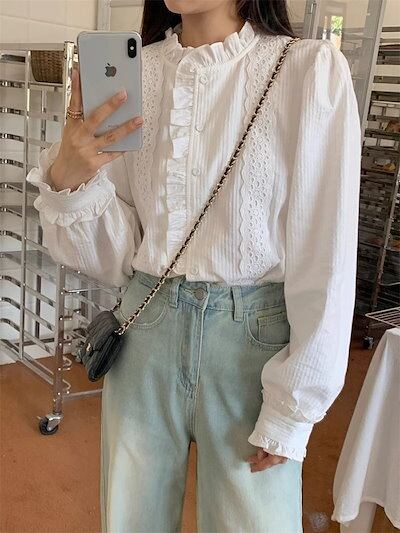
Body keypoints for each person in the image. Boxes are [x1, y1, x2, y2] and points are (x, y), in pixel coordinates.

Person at [26, 0, 361, 531]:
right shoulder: (137, 72)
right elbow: (116, 256)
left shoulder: (307, 70)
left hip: (252, 344)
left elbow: (327, 254)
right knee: (131, 521)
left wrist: (295, 406)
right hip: (145, 328)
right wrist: (70, 174)